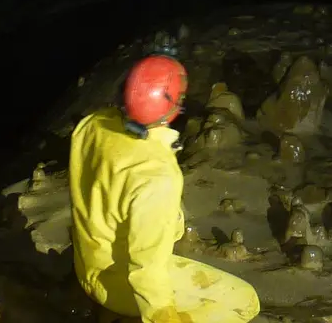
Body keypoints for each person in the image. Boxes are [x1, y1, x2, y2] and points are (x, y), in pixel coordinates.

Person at [69, 54, 262, 323]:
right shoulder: (156, 175)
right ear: (172, 108)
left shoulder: (91, 124)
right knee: (244, 302)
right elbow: (145, 271)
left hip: (86, 263)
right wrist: (164, 315)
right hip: (117, 282)